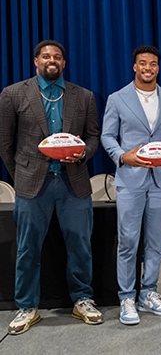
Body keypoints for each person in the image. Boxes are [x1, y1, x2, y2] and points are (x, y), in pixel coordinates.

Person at [0, 40, 103, 334]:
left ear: (64, 63)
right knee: (28, 248)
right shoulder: (13, 94)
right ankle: (27, 306)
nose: (52, 60)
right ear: (36, 61)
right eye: (46, 56)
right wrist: (21, 174)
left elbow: (93, 137)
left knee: (80, 246)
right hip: (33, 185)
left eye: (57, 56)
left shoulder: (83, 97)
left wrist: (84, 153)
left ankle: (82, 299)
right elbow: (5, 144)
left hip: (73, 183)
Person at [101, 45, 161, 325]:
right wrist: (123, 156)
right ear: (135, 66)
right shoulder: (117, 98)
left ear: (158, 67)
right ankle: (126, 296)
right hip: (130, 181)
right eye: (143, 63)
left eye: (153, 63)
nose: (148, 67)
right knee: (128, 242)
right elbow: (107, 136)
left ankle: (149, 292)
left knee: (156, 242)